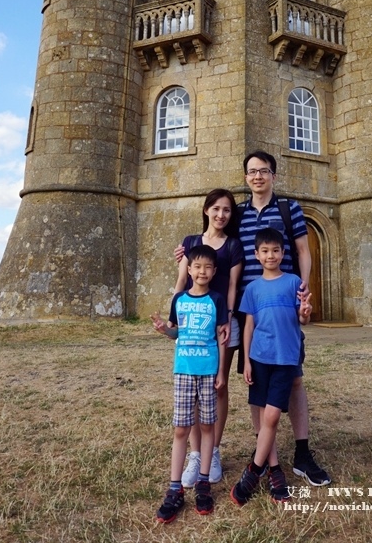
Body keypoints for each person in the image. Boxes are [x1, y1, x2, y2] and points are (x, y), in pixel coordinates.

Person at [237, 150, 332, 486]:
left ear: (273, 176)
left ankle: (302, 454)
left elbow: (303, 250)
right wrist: (188, 251)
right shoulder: (239, 213)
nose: (257, 176)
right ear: (246, 177)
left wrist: (303, 288)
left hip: (284, 305)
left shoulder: (289, 208)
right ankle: (265, 453)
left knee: (294, 379)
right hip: (252, 308)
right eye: (252, 171)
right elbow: (223, 248)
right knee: (256, 383)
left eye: (263, 170)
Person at [230, 228, 313, 505]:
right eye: (265, 251)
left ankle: (254, 470)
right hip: (259, 358)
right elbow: (248, 326)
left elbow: (302, 319)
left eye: (275, 250)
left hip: (285, 359)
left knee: (273, 416)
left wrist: (305, 313)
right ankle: (274, 469)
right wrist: (247, 361)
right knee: (264, 415)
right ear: (256, 255)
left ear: (283, 253)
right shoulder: (253, 288)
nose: (270, 256)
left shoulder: (293, 282)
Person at [151, 244, 228, 524]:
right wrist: (164, 330)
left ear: (214, 271)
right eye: (197, 266)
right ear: (189, 269)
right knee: (181, 428)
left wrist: (221, 372)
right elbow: (176, 333)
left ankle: (204, 482)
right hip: (183, 370)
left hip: (208, 371)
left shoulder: (217, 300)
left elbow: (221, 337)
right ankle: (175, 488)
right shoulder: (179, 299)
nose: (202, 271)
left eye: (207, 267)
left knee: (207, 426)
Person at [173, 189, 243, 485]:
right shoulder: (190, 243)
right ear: (206, 210)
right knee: (191, 386)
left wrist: (226, 319)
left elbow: (232, 286)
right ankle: (195, 454)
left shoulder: (234, 245)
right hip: (192, 322)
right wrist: (174, 317)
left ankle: (212, 451)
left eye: (226, 210)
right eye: (216, 208)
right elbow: (181, 280)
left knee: (218, 386)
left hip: (221, 321)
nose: (221, 215)